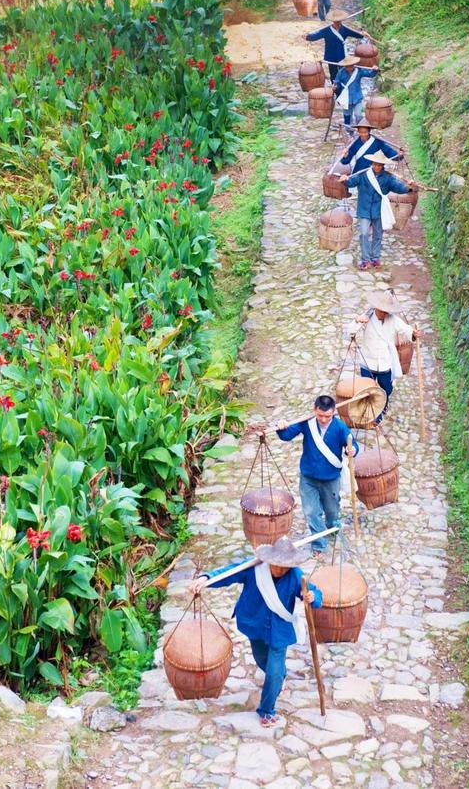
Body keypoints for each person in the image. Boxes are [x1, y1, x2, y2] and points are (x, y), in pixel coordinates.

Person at [188, 537, 322, 728]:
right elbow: (229, 574)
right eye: (276, 565)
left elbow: (314, 594)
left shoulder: (295, 575)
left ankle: (267, 709)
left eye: (284, 566)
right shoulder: (254, 569)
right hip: (254, 623)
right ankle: (277, 678)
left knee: (274, 670)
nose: (279, 569)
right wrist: (206, 579)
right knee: (261, 660)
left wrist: (312, 597)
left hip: (279, 629)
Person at [276, 394, 358, 555]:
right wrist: (281, 427)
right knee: (311, 512)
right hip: (309, 477)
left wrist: (352, 450)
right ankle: (319, 544)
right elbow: (287, 435)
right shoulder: (307, 424)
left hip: (330, 478)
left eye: (327, 416)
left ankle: (332, 527)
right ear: (315, 410)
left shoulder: (340, 427)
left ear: (333, 412)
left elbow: (352, 443)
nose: (323, 419)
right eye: (320, 415)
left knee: (332, 510)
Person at [339, 149, 414, 269]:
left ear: (383, 166)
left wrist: (409, 187)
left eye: (379, 165)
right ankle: (365, 260)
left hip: (379, 210)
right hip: (364, 209)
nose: (377, 167)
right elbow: (352, 182)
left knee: (378, 235)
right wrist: (345, 180)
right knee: (364, 234)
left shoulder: (388, 178)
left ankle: (375, 258)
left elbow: (398, 187)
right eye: (375, 164)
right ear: (372, 164)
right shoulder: (363, 175)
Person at [354, 291, 421, 420]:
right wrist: (357, 320)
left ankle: (383, 405)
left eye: (387, 311)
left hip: (385, 361)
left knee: (386, 389)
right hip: (368, 360)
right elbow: (351, 330)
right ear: (377, 308)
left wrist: (414, 333)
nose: (385, 313)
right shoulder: (366, 317)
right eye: (383, 310)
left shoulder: (393, 320)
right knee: (368, 389)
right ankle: (372, 413)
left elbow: (406, 329)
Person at [305, 10, 365, 82]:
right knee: (333, 74)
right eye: (336, 20)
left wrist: (363, 34)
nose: (337, 22)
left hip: (342, 55)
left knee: (343, 73)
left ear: (341, 20)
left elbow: (356, 34)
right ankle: (334, 89)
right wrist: (307, 37)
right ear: (332, 21)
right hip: (331, 56)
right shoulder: (326, 30)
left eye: (339, 20)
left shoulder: (345, 29)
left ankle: (343, 89)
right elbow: (315, 36)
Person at [339, 118, 403, 174]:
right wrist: (345, 156)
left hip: (375, 170)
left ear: (369, 131)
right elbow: (345, 161)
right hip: (359, 171)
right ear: (358, 131)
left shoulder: (377, 142)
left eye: (365, 132)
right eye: (361, 132)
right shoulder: (354, 143)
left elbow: (388, 151)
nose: (363, 134)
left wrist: (399, 155)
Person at [333, 56, 379, 128]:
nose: (349, 68)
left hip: (357, 97)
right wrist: (335, 87)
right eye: (347, 66)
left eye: (351, 66)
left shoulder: (359, 71)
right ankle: (349, 131)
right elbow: (337, 83)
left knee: (358, 115)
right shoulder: (341, 72)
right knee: (347, 115)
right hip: (346, 98)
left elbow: (369, 74)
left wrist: (375, 70)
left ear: (354, 65)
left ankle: (360, 129)